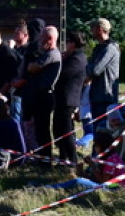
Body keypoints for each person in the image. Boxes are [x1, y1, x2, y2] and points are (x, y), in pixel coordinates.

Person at [24, 25, 62, 154]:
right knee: (39, 128)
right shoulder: (46, 54)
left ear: (50, 39)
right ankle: (41, 155)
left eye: (42, 39)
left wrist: (32, 65)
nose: (40, 42)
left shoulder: (51, 54)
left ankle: (45, 157)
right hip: (39, 95)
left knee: (43, 128)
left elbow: (32, 68)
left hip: (45, 96)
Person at [54, 30, 88, 164]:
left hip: (68, 98)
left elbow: (62, 74)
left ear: (73, 43)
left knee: (66, 131)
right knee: (59, 129)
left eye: (68, 42)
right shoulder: (72, 56)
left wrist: (62, 60)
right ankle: (63, 159)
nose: (66, 44)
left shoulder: (77, 58)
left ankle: (72, 160)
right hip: (62, 97)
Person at [86, 17, 121, 129]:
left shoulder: (110, 48)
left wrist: (89, 67)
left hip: (106, 96)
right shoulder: (99, 48)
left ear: (100, 29)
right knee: (97, 129)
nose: (91, 30)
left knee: (104, 130)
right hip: (96, 95)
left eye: (93, 28)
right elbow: (90, 68)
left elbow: (96, 70)